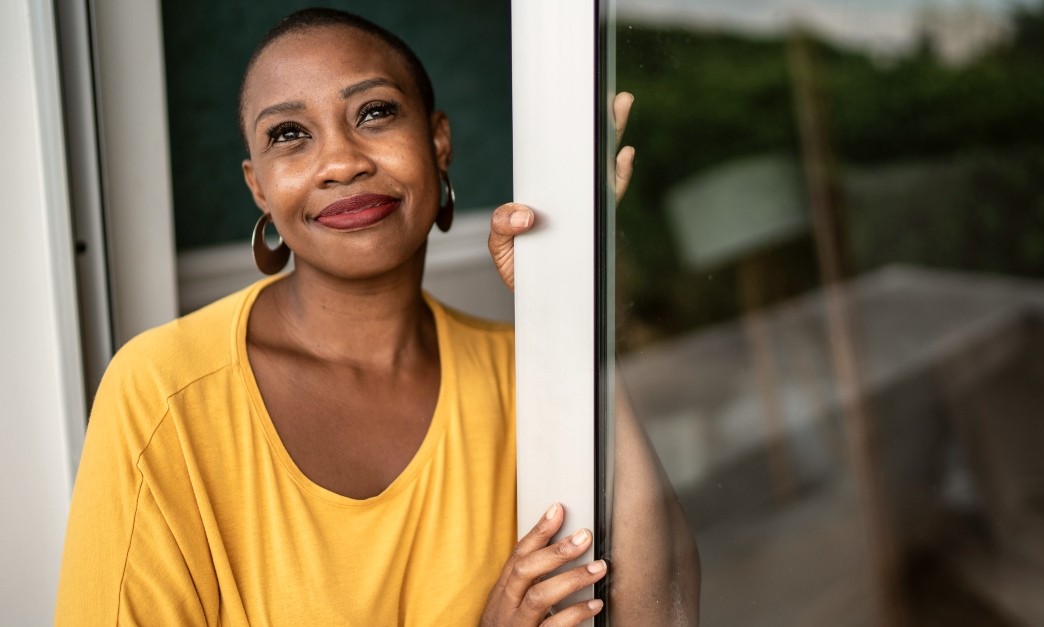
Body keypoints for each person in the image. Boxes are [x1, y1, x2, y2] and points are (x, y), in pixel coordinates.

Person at [55, 8, 698, 626]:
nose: (341, 162)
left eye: (375, 113)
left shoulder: (524, 371)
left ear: (438, 142)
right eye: (289, 135)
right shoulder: (164, 390)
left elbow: (662, 614)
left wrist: (572, 303)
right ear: (258, 186)